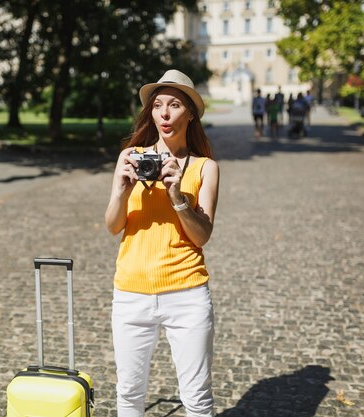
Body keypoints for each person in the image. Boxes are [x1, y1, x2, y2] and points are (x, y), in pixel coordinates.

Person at [105, 69, 219, 417]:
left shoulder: (204, 168)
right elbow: (113, 226)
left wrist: (177, 193)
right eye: (158, 106)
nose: (165, 114)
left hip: (186, 293)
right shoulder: (130, 157)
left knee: (197, 400)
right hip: (131, 293)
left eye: (174, 105)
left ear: (190, 114)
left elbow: (202, 235)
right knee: (129, 395)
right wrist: (123, 192)